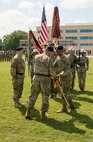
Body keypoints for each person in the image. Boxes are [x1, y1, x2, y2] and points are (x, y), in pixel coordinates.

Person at [25, 44, 56, 119]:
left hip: (36, 77)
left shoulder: (36, 57)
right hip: (45, 79)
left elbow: (33, 66)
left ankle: (28, 112)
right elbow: (52, 72)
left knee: (33, 95)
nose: (51, 54)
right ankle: (43, 114)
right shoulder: (49, 59)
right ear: (49, 51)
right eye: (51, 53)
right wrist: (55, 76)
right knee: (45, 96)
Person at [54, 45, 75, 113]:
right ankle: (71, 105)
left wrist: (59, 75)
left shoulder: (66, 58)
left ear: (61, 51)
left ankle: (64, 108)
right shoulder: (58, 57)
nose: (56, 52)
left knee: (64, 93)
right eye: (56, 51)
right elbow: (54, 65)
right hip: (62, 77)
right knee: (66, 93)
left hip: (67, 77)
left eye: (57, 51)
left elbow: (67, 70)